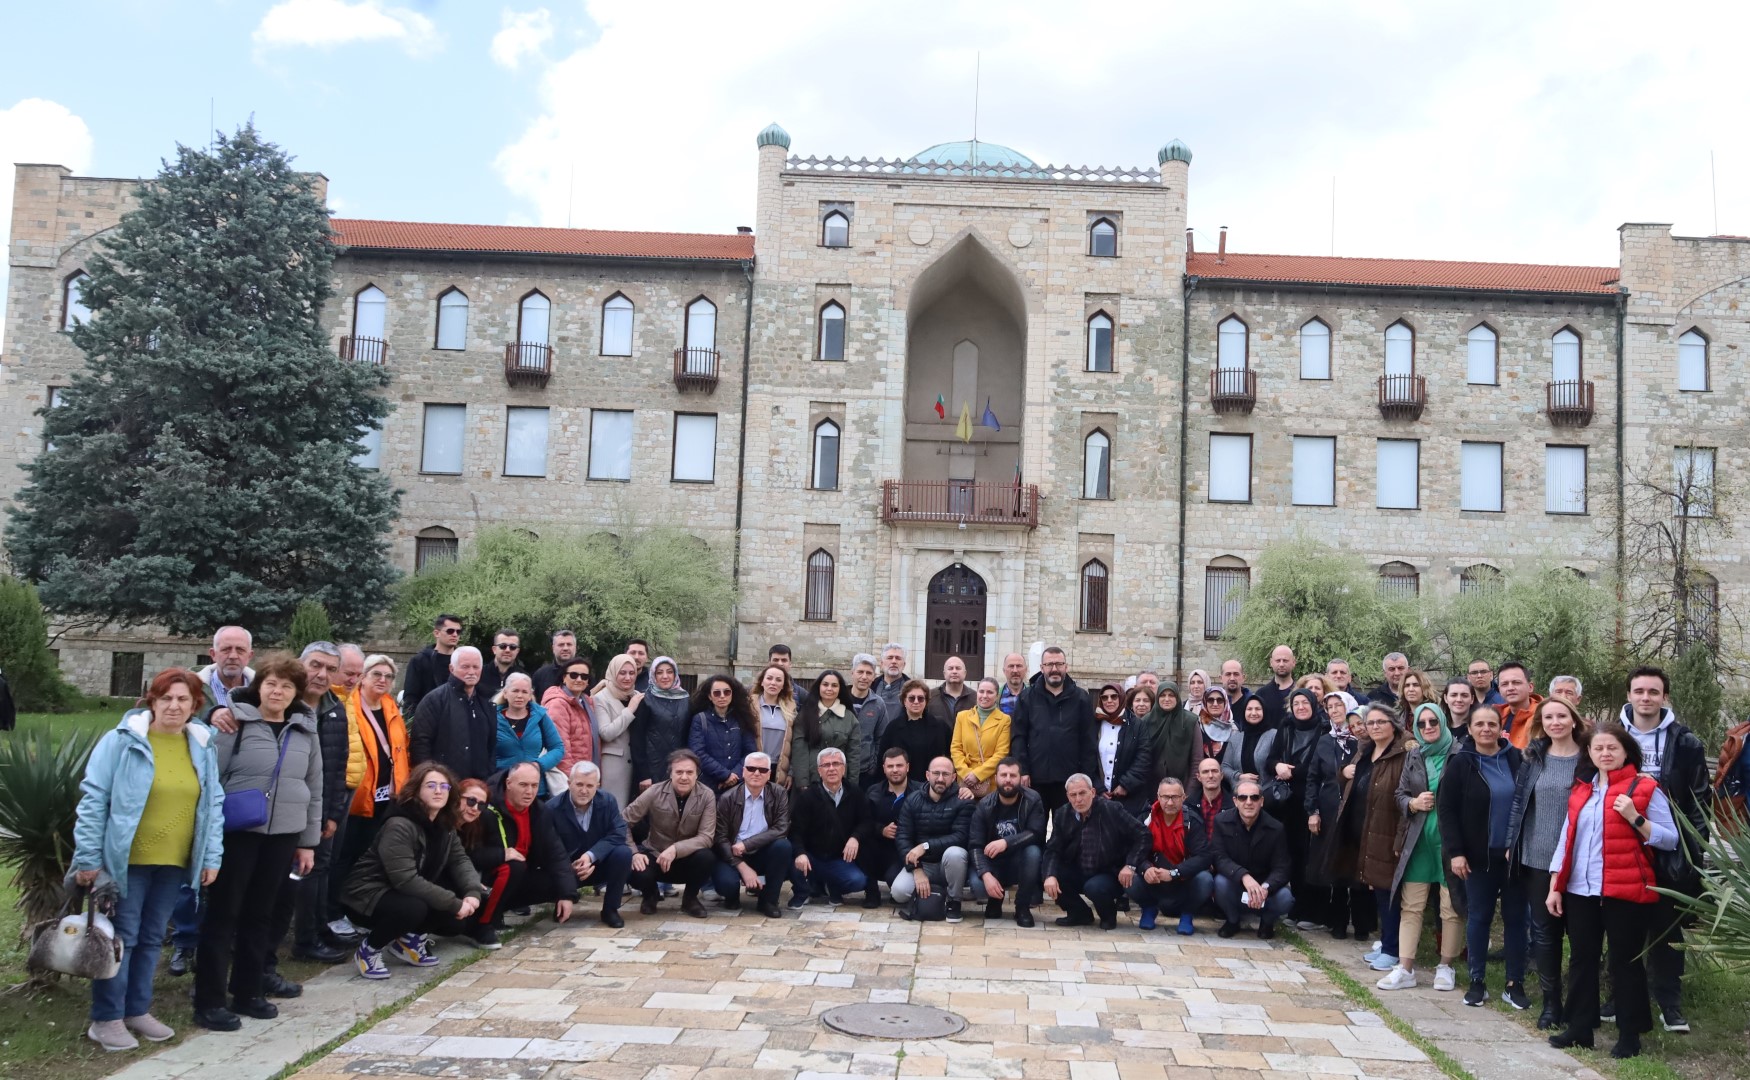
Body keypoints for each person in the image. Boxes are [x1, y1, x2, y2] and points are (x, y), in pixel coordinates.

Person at [73, 669, 224, 1052]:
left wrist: (211, 856)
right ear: (152, 701)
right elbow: (94, 800)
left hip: (174, 862)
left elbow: (213, 805)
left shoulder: (202, 745)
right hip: (128, 863)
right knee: (121, 939)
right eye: (166, 698)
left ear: (195, 706)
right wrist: (88, 858)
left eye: (183, 699)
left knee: (154, 938)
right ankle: (106, 1018)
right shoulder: (122, 741)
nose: (174, 706)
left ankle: (137, 1010)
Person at [194, 654, 322, 1032]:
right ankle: (209, 1001)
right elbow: (210, 780)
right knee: (224, 914)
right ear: (259, 687)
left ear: (296, 692)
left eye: (286, 686)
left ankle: (248, 991)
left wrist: (307, 842)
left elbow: (314, 788)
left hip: (283, 834)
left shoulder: (305, 730)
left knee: (260, 915)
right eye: (271, 684)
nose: (278, 691)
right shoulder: (234, 723)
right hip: (239, 833)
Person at [1546, 725, 1681, 1060]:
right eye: (1598, 748)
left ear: (1625, 751)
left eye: (1612, 748)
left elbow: (1670, 838)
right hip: (1581, 889)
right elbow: (1566, 839)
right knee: (1581, 958)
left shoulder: (1645, 787)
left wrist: (1636, 818)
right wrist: (1555, 886)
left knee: (1625, 962)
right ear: (1588, 753)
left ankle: (1629, 1034)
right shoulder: (1582, 790)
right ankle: (1580, 1028)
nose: (1605, 754)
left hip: (1626, 890)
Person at [1616, 665, 1710, 1033]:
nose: (1645, 698)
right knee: (1622, 928)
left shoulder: (1685, 742)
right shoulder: (1612, 736)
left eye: (1653, 692)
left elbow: (1700, 802)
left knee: (1667, 929)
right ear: (1629, 695)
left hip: (1668, 849)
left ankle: (1670, 1004)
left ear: (1664, 697)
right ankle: (1618, 997)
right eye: (1639, 691)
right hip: (1621, 844)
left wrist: (1692, 855)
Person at [262, 642, 352, 989]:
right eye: (316, 665)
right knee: (280, 881)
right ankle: (287, 943)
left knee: (318, 870)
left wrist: (331, 814)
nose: (322, 675)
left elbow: (337, 764)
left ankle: (310, 934)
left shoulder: (335, 709)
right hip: (279, 810)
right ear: (301, 664)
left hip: (320, 808)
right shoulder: (283, 703)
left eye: (331, 669)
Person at [340, 763, 484, 980]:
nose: (438, 791)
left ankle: (407, 942)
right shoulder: (399, 824)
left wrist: (473, 892)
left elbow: (460, 860)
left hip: (402, 893)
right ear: (416, 790)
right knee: (414, 909)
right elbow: (405, 879)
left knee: (455, 921)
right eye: (431, 785)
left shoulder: (445, 825)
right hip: (367, 895)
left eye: (444, 786)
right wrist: (454, 902)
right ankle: (369, 950)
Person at [1436, 704, 1527, 1009]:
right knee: (1478, 918)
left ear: (1501, 728)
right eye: (1479, 725)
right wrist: (1456, 853)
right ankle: (1477, 982)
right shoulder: (1461, 763)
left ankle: (1515, 984)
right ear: (1471, 729)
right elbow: (1446, 810)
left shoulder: (1516, 759)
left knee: (1516, 919)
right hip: (1476, 856)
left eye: (1491, 724)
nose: (1485, 729)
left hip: (1514, 855)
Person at [1506, 696, 1586, 1030]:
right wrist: (1512, 843)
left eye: (1562, 716)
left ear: (1573, 720)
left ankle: (1581, 1005)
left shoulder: (1589, 759)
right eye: (1549, 717)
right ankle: (1551, 1004)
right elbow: (1519, 803)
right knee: (1545, 933)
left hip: (1580, 858)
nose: (1555, 722)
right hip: (1537, 857)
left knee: (1582, 936)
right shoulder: (1533, 756)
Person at [1377, 702, 1462, 993]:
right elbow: (1399, 795)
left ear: (1442, 722)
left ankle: (1446, 966)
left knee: (1450, 908)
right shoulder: (1414, 755)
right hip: (1418, 843)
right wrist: (1413, 804)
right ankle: (1406, 968)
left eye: (1433, 722)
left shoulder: (1459, 754)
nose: (1428, 728)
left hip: (1449, 844)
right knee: (1410, 906)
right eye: (1422, 724)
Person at [334, 654, 410, 942]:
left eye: (388, 676)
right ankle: (336, 911)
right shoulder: (350, 706)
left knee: (372, 857)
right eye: (376, 674)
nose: (382, 680)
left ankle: (360, 910)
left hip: (387, 797)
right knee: (346, 856)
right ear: (363, 677)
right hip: (358, 797)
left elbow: (401, 750)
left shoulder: (390, 707)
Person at [1331, 704, 1412, 973]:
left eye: (1381, 722)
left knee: (1388, 891)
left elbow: (1405, 797)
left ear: (1394, 724)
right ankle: (1387, 942)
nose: (1375, 727)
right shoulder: (1365, 750)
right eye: (1371, 722)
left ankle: (1393, 950)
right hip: (1363, 829)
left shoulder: (1404, 753)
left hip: (1386, 831)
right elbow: (1350, 780)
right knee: (1377, 890)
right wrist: (1343, 774)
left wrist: (1400, 838)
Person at [463, 762, 578, 946]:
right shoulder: (486, 808)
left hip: (519, 874)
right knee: (512, 867)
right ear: (508, 783)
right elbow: (469, 854)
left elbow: (556, 853)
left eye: (534, 785)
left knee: (562, 879)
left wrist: (567, 894)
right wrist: (502, 854)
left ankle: (498, 911)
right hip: (484, 875)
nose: (530, 792)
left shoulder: (539, 811)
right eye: (523, 785)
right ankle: (482, 924)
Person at [1042, 772, 1149, 930]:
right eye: (1073, 795)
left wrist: (1131, 865)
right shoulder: (1062, 814)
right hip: (1078, 868)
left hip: (1109, 872)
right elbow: (1053, 849)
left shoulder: (1112, 809)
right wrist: (1049, 876)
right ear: (1067, 796)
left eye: (1082, 793)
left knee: (1095, 887)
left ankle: (1108, 915)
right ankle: (1079, 913)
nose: (1078, 799)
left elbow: (1143, 835)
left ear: (1092, 792)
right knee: (1046, 871)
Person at [1305, 696, 1371, 940]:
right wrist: (1312, 811)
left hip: (1359, 812)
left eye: (1338, 706)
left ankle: (1363, 924)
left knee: (1358, 868)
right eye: (1329, 707)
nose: (1334, 711)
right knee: (1338, 868)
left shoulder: (1365, 740)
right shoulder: (1325, 741)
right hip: (1332, 811)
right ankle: (1338, 923)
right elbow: (1313, 778)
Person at [625, 749, 717, 917]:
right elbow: (622, 822)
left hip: (687, 858)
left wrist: (676, 849)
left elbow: (706, 837)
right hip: (655, 853)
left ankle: (690, 899)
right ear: (670, 774)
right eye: (679, 772)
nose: (684, 777)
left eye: (689, 772)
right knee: (634, 869)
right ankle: (650, 895)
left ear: (697, 774)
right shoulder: (654, 791)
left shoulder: (707, 795)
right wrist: (634, 853)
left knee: (707, 857)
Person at [546, 761, 634, 927]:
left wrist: (591, 857)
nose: (584, 790)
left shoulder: (608, 801)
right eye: (579, 784)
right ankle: (564, 899)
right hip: (567, 868)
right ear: (569, 783)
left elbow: (618, 833)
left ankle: (610, 910)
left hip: (598, 864)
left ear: (597, 786)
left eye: (589, 785)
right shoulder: (552, 808)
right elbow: (549, 848)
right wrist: (570, 866)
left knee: (623, 853)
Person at [1010, 647, 1095, 813]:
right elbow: (1019, 736)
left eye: (1059, 664)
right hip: (1035, 779)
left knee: (1068, 833)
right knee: (1033, 830)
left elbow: (1088, 741)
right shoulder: (1027, 697)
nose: (1054, 669)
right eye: (1049, 664)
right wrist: (1023, 770)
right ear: (1042, 668)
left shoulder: (1081, 698)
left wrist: (1085, 776)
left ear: (1066, 667)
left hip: (1070, 780)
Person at [789, 747, 876, 907]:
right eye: (826, 765)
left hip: (838, 858)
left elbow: (867, 822)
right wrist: (800, 853)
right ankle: (803, 890)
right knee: (790, 854)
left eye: (836, 764)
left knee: (857, 881)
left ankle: (831, 885)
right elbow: (795, 831)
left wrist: (855, 837)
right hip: (811, 857)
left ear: (844, 768)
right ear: (819, 771)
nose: (831, 769)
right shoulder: (807, 797)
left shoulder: (855, 793)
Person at [1266, 688, 1326, 922]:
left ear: (1313, 705)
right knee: (1292, 853)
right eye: (1296, 703)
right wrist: (1277, 767)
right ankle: (1296, 907)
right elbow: (1272, 758)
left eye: (1305, 703)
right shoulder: (1286, 726)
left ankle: (1315, 912)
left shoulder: (1324, 728)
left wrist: (1291, 772)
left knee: (1311, 855)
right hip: (1287, 801)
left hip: (1312, 799)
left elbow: (1317, 765)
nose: (1300, 707)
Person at [891, 756, 974, 922]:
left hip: (948, 865)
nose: (940, 779)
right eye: (936, 773)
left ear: (954, 777)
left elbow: (961, 837)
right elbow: (903, 837)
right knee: (899, 892)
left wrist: (926, 846)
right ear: (927, 775)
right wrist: (916, 870)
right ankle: (931, 894)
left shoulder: (963, 801)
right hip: (923, 864)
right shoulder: (913, 800)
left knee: (955, 853)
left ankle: (953, 901)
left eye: (945, 774)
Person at [711, 751, 792, 917]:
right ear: (743, 771)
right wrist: (742, 866)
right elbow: (720, 838)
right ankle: (731, 897)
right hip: (733, 854)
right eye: (751, 768)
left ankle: (769, 901)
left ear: (769, 774)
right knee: (726, 884)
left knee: (783, 846)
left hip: (762, 851)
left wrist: (747, 844)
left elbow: (781, 828)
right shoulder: (727, 798)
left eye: (762, 770)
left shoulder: (779, 793)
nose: (756, 773)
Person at [1129, 777, 1213, 935]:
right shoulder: (1146, 819)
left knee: (1205, 879)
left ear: (1183, 797)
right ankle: (1148, 909)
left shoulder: (1191, 821)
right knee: (1127, 875)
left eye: (1175, 797)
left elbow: (1204, 857)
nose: (1169, 802)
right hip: (1153, 880)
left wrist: (1175, 873)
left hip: (1183, 881)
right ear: (1158, 796)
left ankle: (1187, 915)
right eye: (1165, 797)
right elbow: (1134, 850)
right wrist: (1145, 868)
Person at [1213, 778, 1294, 938]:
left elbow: (1282, 867)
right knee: (1219, 883)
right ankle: (1233, 921)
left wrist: (1266, 887)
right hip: (1235, 884)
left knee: (1286, 898)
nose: (1248, 802)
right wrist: (1243, 876)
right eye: (1243, 797)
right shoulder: (1221, 821)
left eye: (1254, 798)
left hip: (1265, 891)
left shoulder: (1276, 828)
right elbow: (1219, 857)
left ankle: (1267, 922)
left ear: (1261, 801)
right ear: (1235, 801)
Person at [967, 758, 1043, 926]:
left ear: (1020, 778)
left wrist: (1006, 842)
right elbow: (975, 845)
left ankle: (1022, 907)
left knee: (1033, 852)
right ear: (996, 778)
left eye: (1013, 775)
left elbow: (1036, 832)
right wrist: (986, 875)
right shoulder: (985, 805)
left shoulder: (1032, 799)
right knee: (978, 886)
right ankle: (995, 901)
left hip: (1019, 861)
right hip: (993, 862)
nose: (1008, 779)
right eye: (1003, 775)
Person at [409, 646, 496, 782]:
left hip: (478, 785)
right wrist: (428, 780)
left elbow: (491, 745)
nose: (471, 672)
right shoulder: (434, 700)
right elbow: (420, 744)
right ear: (451, 668)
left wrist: (489, 778)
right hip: (443, 784)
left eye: (476, 667)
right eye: (465, 667)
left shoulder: (487, 702)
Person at [494, 673, 564, 798]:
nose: (520, 696)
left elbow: (558, 748)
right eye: (515, 691)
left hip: (535, 788)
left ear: (530, 695)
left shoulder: (541, 716)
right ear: (505, 693)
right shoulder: (492, 717)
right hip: (502, 786)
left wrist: (538, 765)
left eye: (525, 692)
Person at [863, 748, 921, 895]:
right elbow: (864, 821)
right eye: (890, 766)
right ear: (883, 768)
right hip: (880, 848)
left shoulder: (921, 792)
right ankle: (871, 892)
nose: (895, 770)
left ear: (907, 767)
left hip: (908, 850)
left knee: (893, 880)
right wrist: (881, 830)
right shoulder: (873, 792)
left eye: (899, 765)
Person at [793, 668, 862, 791]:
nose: (829, 689)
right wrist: (803, 783)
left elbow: (854, 755)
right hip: (811, 783)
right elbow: (800, 752)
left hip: (839, 783)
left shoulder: (850, 718)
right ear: (819, 687)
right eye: (825, 684)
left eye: (834, 685)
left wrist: (852, 786)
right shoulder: (805, 715)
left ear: (840, 689)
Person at [689, 675, 760, 793]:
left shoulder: (741, 718)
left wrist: (735, 775)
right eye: (717, 693)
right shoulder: (700, 719)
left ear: (732, 694)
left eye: (727, 692)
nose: (722, 696)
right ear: (709, 696)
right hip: (708, 785)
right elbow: (697, 752)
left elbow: (750, 751)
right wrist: (725, 775)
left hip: (737, 784)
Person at [631, 657, 693, 794]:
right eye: (659, 672)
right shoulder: (645, 700)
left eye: (669, 672)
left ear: (675, 674)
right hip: (652, 768)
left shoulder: (686, 699)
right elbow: (637, 739)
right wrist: (644, 774)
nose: (665, 676)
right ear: (653, 675)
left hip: (678, 768)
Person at [1092, 683, 1153, 816]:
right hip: (1098, 797)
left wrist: (1126, 784)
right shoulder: (1094, 724)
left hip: (1129, 797)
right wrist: (1098, 788)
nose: (1109, 701)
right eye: (1104, 697)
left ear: (1121, 698)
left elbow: (1143, 757)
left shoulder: (1136, 724)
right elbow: (1087, 757)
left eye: (1114, 697)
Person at [591, 653, 643, 805]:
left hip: (636, 764)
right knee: (613, 809)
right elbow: (606, 733)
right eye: (622, 673)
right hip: (613, 766)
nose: (627, 677)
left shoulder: (637, 695)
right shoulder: (601, 697)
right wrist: (630, 710)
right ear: (613, 673)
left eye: (631, 673)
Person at [880, 679, 951, 786]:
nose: (916, 702)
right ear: (904, 701)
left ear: (926, 701)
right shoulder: (893, 728)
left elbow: (951, 755)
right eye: (912, 698)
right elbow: (883, 758)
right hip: (903, 786)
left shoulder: (940, 726)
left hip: (933, 786)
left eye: (921, 698)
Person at [951, 677, 1011, 799]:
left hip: (990, 783)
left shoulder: (1004, 720)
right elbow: (955, 748)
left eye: (990, 692)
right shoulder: (962, 717)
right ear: (976, 693)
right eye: (981, 691)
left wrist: (978, 775)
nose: (985, 695)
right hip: (965, 783)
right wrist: (966, 773)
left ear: (997, 696)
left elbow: (1001, 753)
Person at [542, 657, 597, 777]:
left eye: (584, 676)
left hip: (585, 774)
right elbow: (560, 747)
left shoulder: (586, 702)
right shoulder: (557, 704)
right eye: (573, 675)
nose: (579, 679)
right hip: (569, 777)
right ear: (564, 677)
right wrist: (572, 778)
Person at [402, 614, 463, 715]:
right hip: (427, 720)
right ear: (436, 633)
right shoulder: (420, 660)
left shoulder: (464, 661)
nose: (455, 634)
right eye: (450, 631)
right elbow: (410, 698)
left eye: (458, 631)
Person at [847, 653, 892, 790]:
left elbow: (881, 738)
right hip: (839, 769)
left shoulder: (878, 704)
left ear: (873, 677)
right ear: (852, 673)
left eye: (869, 673)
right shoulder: (840, 700)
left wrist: (874, 766)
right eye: (860, 672)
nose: (864, 677)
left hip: (865, 772)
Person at [750, 663, 798, 788]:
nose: (773, 683)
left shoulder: (791, 710)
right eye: (769, 678)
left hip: (779, 769)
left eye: (778, 680)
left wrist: (791, 772)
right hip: (754, 767)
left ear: (783, 685)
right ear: (762, 682)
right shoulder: (749, 706)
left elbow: (795, 743)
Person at [1222, 696, 1277, 788]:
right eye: (1249, 709)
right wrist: (1239, 776)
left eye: (1258, 709)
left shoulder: (1274, 735)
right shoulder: (1236, 737)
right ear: (1244, 712)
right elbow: (1224, 767)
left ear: (1264, 711)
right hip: (1241, 794)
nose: (1253, 713)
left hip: (1268, 793)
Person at [1497, 661, 1543, 750]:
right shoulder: (1496, 716)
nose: (1510, 688)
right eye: (1504, 684)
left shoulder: (1542, 717)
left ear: (1530, 687)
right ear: (1499, 690)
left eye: (1516, 682)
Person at [1192, 756, 1234, 847]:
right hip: (1198, 856)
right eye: (1205, 772)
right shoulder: (1189, 805)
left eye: (1215, 771)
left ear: (1221, 775)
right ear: (1199, 777)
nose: (1210, 776)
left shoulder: (1235, 805)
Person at [925, 656, 975, 730]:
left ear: (965, 673)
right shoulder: (929, 696)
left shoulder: (975, 698)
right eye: (950, 668)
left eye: (958, 668)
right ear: (944, 674)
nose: (954, 671)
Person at [478, 629, 525, 704]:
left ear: (517, 651)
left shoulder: (523, 678)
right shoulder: (478, 674)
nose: (507, 650)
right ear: (494, 649)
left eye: (512, 647)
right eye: (503, 646)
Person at [530, 629, 581, 699]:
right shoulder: (540, 675)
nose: (565, 648)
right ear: (553, 648)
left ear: (575, 648)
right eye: (561, 645)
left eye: (569, 644)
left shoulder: (585, 676)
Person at [1254, 645, 1297, 726]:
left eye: (1285, 660)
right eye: (1278, 660)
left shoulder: (1301, 691)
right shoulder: (1261, 694)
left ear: (1293, 662)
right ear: (1271, 662)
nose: (1281, 664)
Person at [1198, 687, 1235, 765]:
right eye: (1210, 700)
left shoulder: (1235, 729)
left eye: (1220, 700)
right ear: (1205, 703)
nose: (1215, 704)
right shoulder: (1197, 727)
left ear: (1225, 702)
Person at [874, 643, 910, 714]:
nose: (894, 661)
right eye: (890, 658)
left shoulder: (912, 688)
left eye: (898, 658)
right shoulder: (871, 686)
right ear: (882, 664)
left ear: (904, 665)